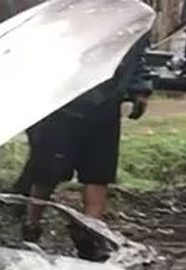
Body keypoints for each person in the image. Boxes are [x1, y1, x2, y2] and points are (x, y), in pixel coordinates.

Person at [24, 32, 153, 239]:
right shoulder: (75, 13)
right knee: (47, 173)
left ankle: (90, 234)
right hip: (64, 104)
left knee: (98, 175)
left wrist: (140, 90)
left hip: (105, 107)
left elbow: (136, 56)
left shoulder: (130, 16)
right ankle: (31, 225)